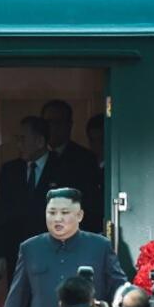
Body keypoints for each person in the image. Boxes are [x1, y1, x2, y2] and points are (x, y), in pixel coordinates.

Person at [0, 116, 70, 307]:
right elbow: (0, 215)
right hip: (18, 256)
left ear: (40, 140)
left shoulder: (67, 167)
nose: (19, 144)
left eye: (23, 138)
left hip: (57, 256)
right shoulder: (10, 170)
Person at [41, 100, 103, 233]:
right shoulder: (33, 158)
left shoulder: (85, 159)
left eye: (58, 122)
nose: (53, 128)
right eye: (48, 123)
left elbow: (91, 205)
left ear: (69, 125)